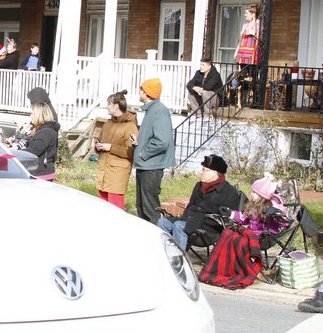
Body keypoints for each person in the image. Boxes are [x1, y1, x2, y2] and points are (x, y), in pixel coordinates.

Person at [158, 154, 242, 252]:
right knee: (162, 222)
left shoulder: (228, 191)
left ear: (215, 172)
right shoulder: (199, 186)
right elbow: (190, 207)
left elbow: (225, 219)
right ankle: (163, 256)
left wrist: (192, 222)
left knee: (178, 226)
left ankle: (178, 261)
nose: (201, 173)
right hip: (188, 221)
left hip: (207, 230)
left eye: (204, 170)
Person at [134, 77, 175, 222]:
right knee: (141, 206)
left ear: (146, 93)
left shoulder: (159, 111)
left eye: (141, 89)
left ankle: (156, 239)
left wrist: (143, 152)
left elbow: (162, 141)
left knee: (150, 209)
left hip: (152, 166)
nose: (139, 91)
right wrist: (139, 142)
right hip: (146, 165)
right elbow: (154, 137)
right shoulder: (152, 110)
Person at [93, 90, 139, 208]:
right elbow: (100, 139)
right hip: (103, 171)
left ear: (116, 106)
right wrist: (98, 146)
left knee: (115, 209)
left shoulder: (130, 126)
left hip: (117, 174)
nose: (107, 107)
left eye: (109, 104)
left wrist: (110, 147)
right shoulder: (108, 123)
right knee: (103, 207)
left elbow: (131, 152)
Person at [10, 89, 60, 180]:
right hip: (38, 171)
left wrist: (14, 153)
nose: (30, 115)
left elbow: (34, 150)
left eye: (33, 113)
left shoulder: (46, 132)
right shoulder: (42, 129)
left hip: (41, 173)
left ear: (39, 115)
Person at [232, 4, 261, 105]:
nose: (245, 15)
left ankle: (254, 100)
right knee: (242, 76)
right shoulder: (245, 25)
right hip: (242, 53)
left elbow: (262, 40)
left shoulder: (259, 24)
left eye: (247, 13)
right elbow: (241, 40)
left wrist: (254, 33)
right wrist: (236, 51)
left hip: (252, 54)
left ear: (253, 14)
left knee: (253, 76)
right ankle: (242, 100)